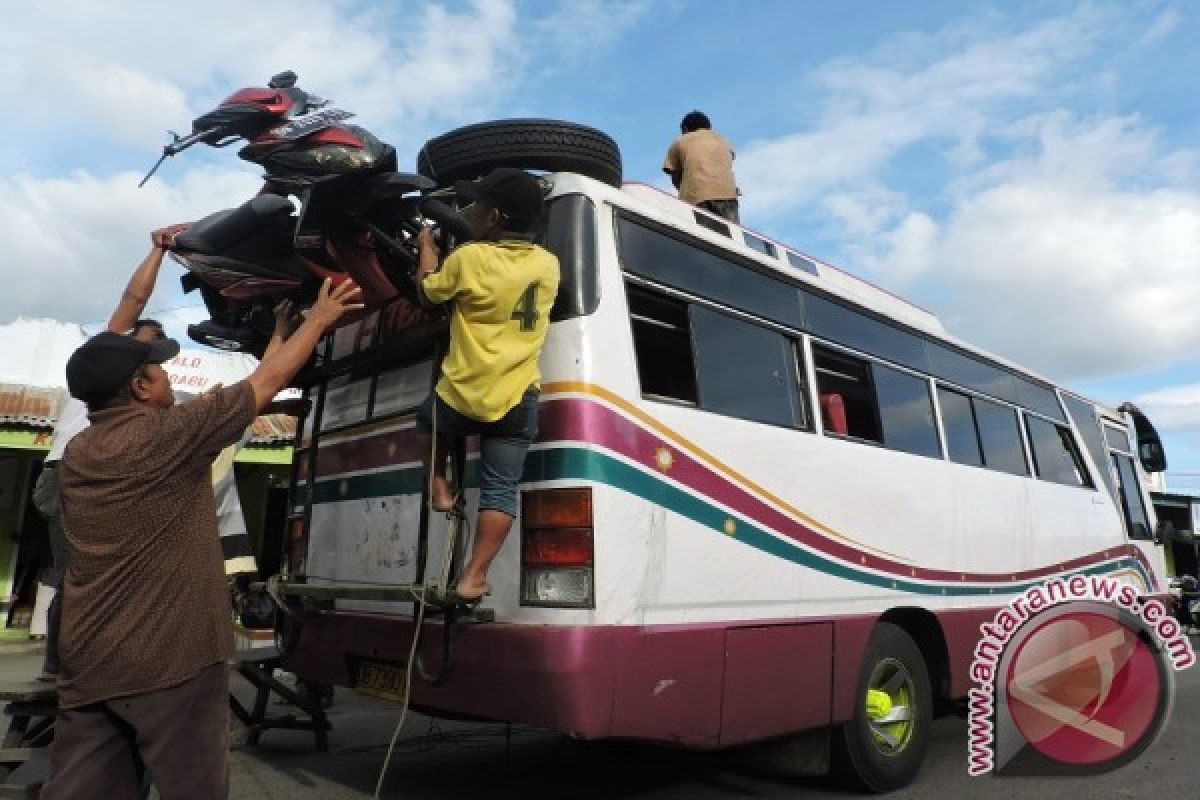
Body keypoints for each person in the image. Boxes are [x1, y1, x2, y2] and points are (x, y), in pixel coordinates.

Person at [40, 276, 361, 800]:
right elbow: (268, 380)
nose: (169, 378)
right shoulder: (169, 437)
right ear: (141, 388)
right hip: (172, 660)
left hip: (91, 661)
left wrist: (279, 330)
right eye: (160, 371)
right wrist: (320, 319)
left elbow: (254, 391)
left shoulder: (80, 454)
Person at [34, 227, 182, 683]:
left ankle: (107, 660)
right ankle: (61, 670)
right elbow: (132, 300)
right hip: (68, 475)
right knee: (78, 576)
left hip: (102, 472)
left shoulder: (140, 394)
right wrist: (157, 251)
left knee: (113, 574)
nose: (149, 356)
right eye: (145, 344)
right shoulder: (99, 364)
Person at [414, 167, 560, 602]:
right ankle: (474, 576)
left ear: (494, 216)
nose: (469, 210)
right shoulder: (547, 265)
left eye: (476, 205)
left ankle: (439, 487)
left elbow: (428, 293)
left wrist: (426, 248)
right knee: (501, 488)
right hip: (517, 397)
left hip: (462, 393)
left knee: (426, 423)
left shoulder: (469, 258)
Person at [662, 110, 741, 223]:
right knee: (729, 237)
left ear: (685, 129)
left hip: (697, 197)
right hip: (729, 197)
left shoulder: (680, 141)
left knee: (700, 235)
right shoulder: (724, 141)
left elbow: (675, 177)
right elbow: (728, 161)